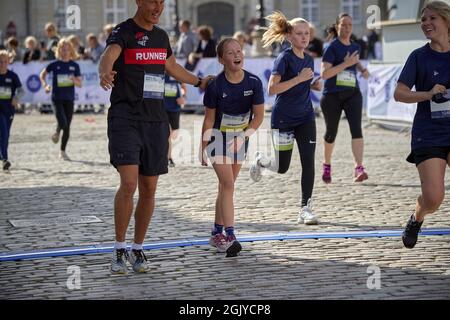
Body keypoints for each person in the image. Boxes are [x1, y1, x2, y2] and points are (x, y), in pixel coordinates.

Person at [98, 0, 212, 274]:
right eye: (152, 1)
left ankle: (137, 249)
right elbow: (109, 54)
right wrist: (105, 70)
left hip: (155, 121)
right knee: (128, 184)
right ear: (138, 2)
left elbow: (172, 66)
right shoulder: (123, 31)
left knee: (149, 189)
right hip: (125, 118)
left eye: (162, 2)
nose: (158, 7)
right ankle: (119, 248)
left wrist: (198, 82)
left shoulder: (161, 37)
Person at [249, 11, 322, 225]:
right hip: (283, 119)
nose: (304, 37)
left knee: (309, 162)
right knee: (282, 167)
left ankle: (305, 209)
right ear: (290, 36)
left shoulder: (309, 58)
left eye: (306, 33)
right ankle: (261, 161)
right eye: (299, 33)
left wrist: (311, 84)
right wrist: (300, 78)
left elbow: (300, 84)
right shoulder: (284, 58)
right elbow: (272, 89)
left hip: (306, 117)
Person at [394, 1, 450, 249]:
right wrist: (427, 94)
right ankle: (417, 216)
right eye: (423, 20)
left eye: (432, 18)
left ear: (446, 21)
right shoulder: (418, 57)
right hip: (429, 134)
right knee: (433, 197)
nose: (426, 23)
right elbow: (400, 93)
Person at [201, 38, 264, 257]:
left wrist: (244, 136)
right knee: (227, 183)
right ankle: (229, 235)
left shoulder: (254, 82)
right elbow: (209, 120)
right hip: (218, 138)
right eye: (230, 52)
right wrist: (203, 146)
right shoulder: (215, 86)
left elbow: (259, 117)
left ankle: (216, 232)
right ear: (221, 59)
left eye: (239, 51)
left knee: (226, 186)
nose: (236, 55)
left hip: (240, 138)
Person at [320, 13, 370, 184]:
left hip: (352, 93)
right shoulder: (331, 47)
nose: (347, 28)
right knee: (331, 133)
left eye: (350, 24)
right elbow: (325, 74)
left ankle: (359, 167)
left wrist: (362, 69)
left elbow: (354, 60)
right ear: (337, 27)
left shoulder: (355, 46)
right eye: (344, 25)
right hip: (332, 95)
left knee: (356, 129)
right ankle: (326, 164)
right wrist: (345, 64)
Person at [39, 38, 82, 161]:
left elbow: (80, 84)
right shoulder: (54, 64)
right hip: (57, 98)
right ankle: (57, 129)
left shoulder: (74, 66)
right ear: (59, 50)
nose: (65, 51)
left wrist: (74, 80)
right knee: (63, 122)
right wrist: (45, 85)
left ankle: (62, 151)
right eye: (63, 48)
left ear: (71, 51)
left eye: (67, 49)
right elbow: (42, 75)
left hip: (69, 99)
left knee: (67, 127)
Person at [0, 50, 23, 171]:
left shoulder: (13, 76)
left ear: (8, 62)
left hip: (9, 109)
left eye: (4, 62)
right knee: (3, 132)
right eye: (0, 62)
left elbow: (21, 90)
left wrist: (16, 98)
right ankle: (5, 159)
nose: (2, 64)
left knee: (6, 135)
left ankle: (2, 155)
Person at [164, 74, 186, 167]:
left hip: (175, 108)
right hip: (162, 108)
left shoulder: (176, 73)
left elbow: (183, 87)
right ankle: (168, 157)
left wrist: (183, 97)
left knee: (174, 134)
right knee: (166, 134)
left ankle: (168, 156)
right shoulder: (159, 72)